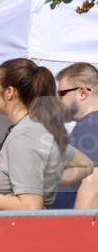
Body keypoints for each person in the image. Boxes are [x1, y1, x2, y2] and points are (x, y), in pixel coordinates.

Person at [0, 59, 92, 211]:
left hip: (13, 231)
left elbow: (31, 207)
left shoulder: (25, 136)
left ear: (9, 92)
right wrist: (41, 181)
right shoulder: (33, 129)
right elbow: (85, 164)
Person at [53, 62, 98, 208]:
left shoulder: (90, 127)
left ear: (82, 93)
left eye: (61, 94)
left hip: (75, 226)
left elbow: (93, 184)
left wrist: (77, 229)